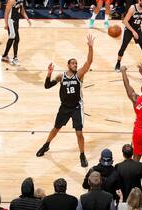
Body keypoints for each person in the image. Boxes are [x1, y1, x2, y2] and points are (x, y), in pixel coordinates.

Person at [36, 35, 94, 168]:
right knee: (56, 128)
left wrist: (90, 47)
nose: (75, 65)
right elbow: (47, 86)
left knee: (79, 133)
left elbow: (89, 62)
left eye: (76, 63)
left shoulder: (79, 75)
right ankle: (46, 145)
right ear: (68, 65)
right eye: (73, 63)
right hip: (64, 107)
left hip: (76, 107)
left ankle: (82, 155)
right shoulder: (61, 76)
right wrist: (49, 73)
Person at [115, 0, 142, 72]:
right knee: (123, 47)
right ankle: (118, 63)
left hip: (137, 29)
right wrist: (133, 31)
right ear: (139, 1)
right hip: (129, 29)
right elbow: (125, 21)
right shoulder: (133, 8)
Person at [1, 0, 31, 66]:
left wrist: (27, 19)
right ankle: (15, 58)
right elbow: (6, 13)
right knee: (16, 38)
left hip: (16, 21)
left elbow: (22, 11)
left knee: (12, 38)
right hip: (10, 21)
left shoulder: (20, 0)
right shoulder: (11, 1)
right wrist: (6, 24)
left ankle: (5, 55)